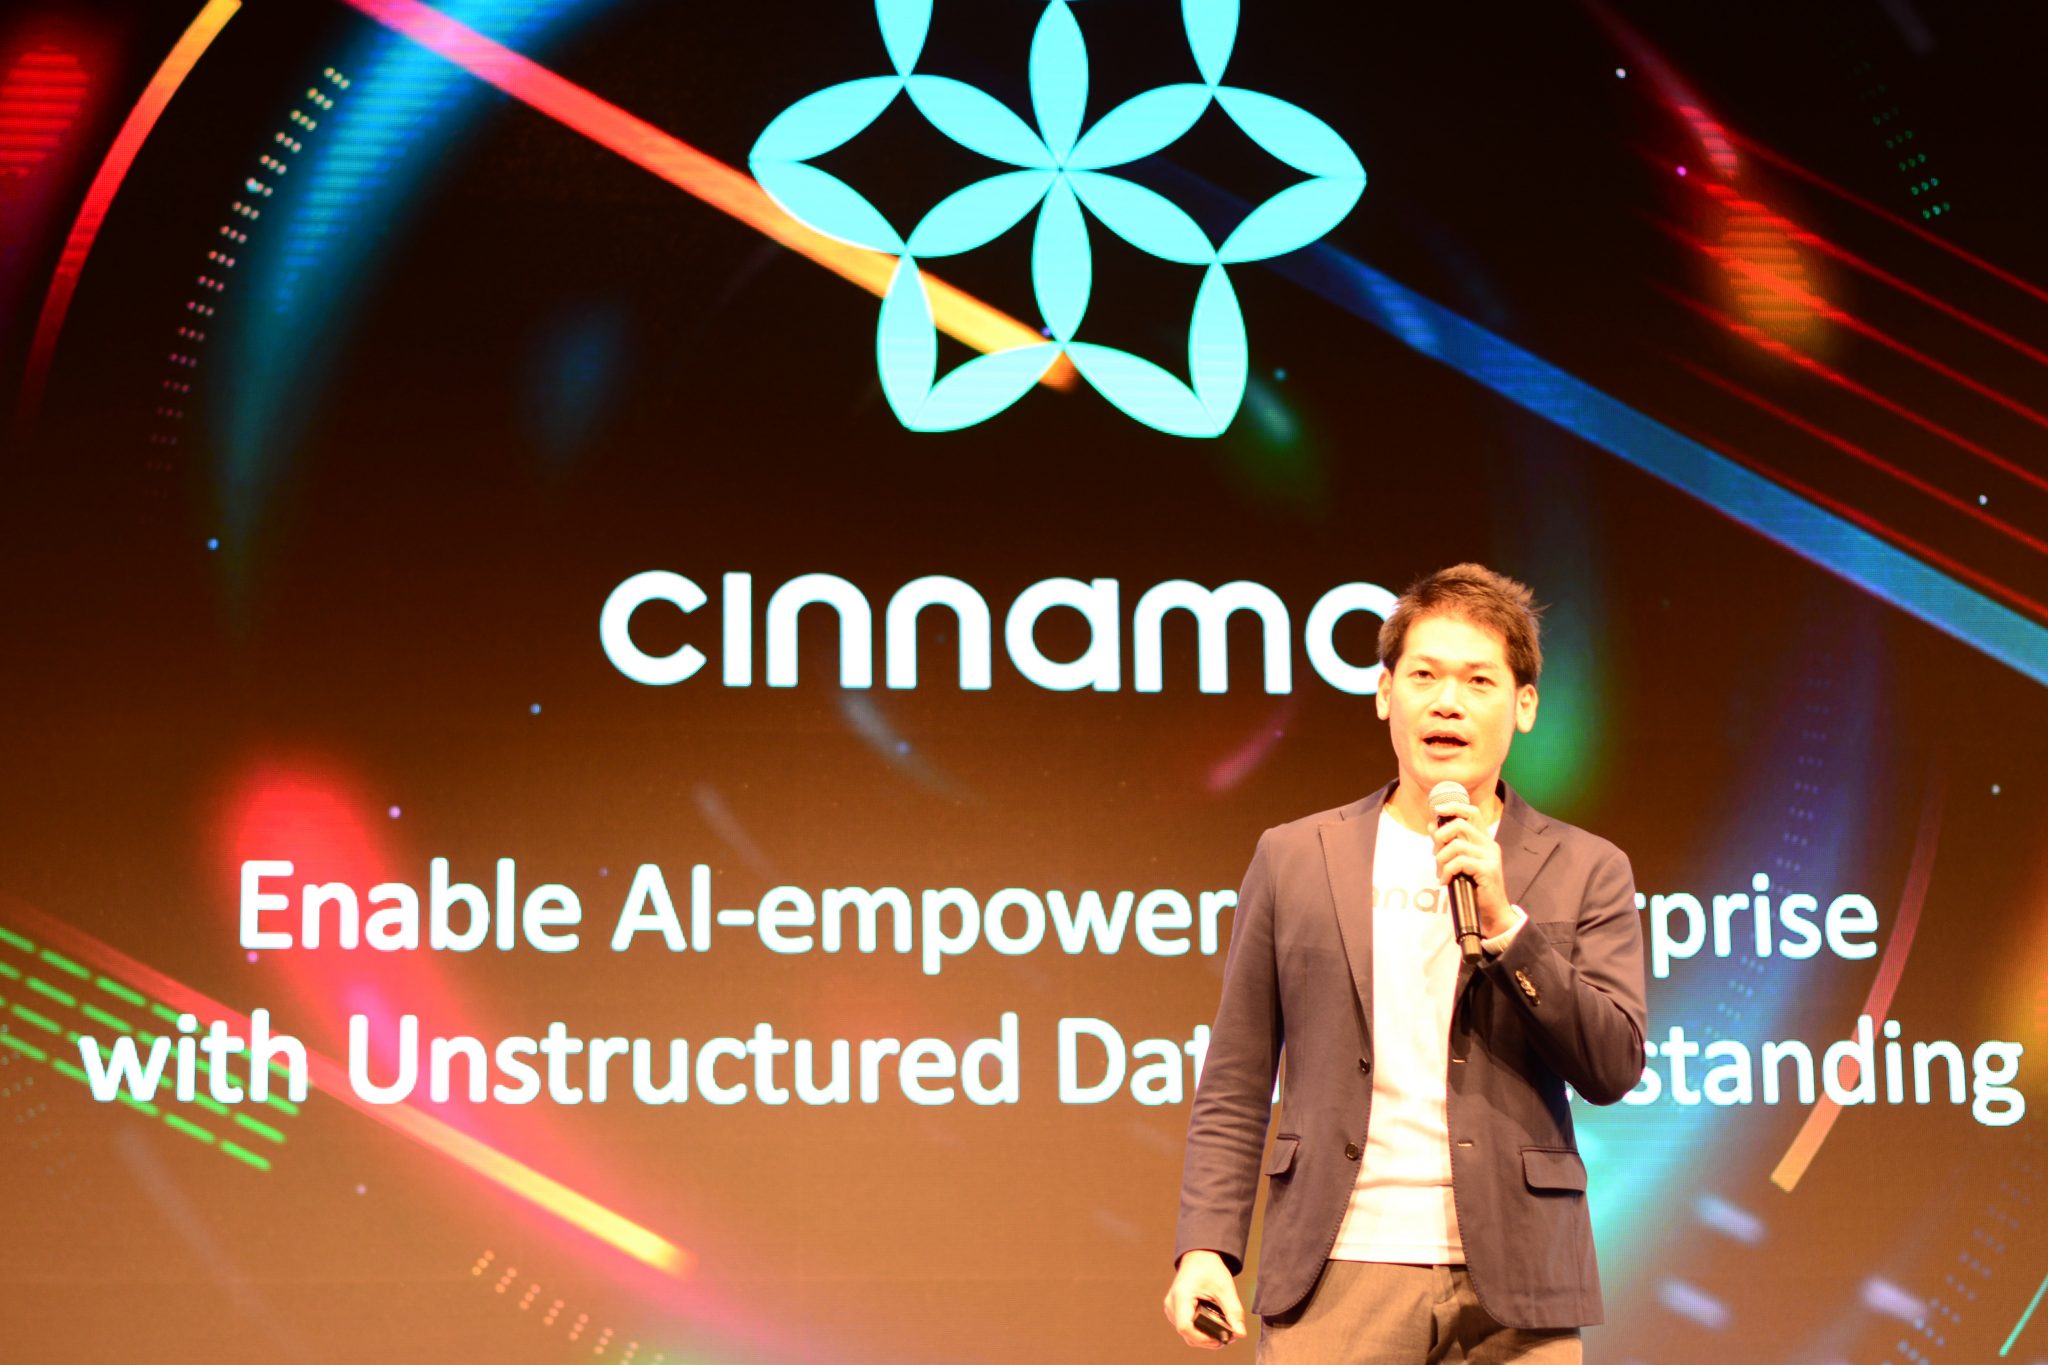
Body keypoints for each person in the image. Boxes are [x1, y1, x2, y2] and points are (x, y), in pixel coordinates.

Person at [1163, 563, 1648, 1363]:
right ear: (1386, 693)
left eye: (1478, 680)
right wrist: (1206, 1246)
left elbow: (1613, 1064)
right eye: (1424, 675)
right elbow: (1237, 1076)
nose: (1447, 701)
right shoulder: (1295, 857)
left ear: (1525, 705)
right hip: (1337, 1267)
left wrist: (1507, 926)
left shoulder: (1587, 867)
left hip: (1520, 1280)